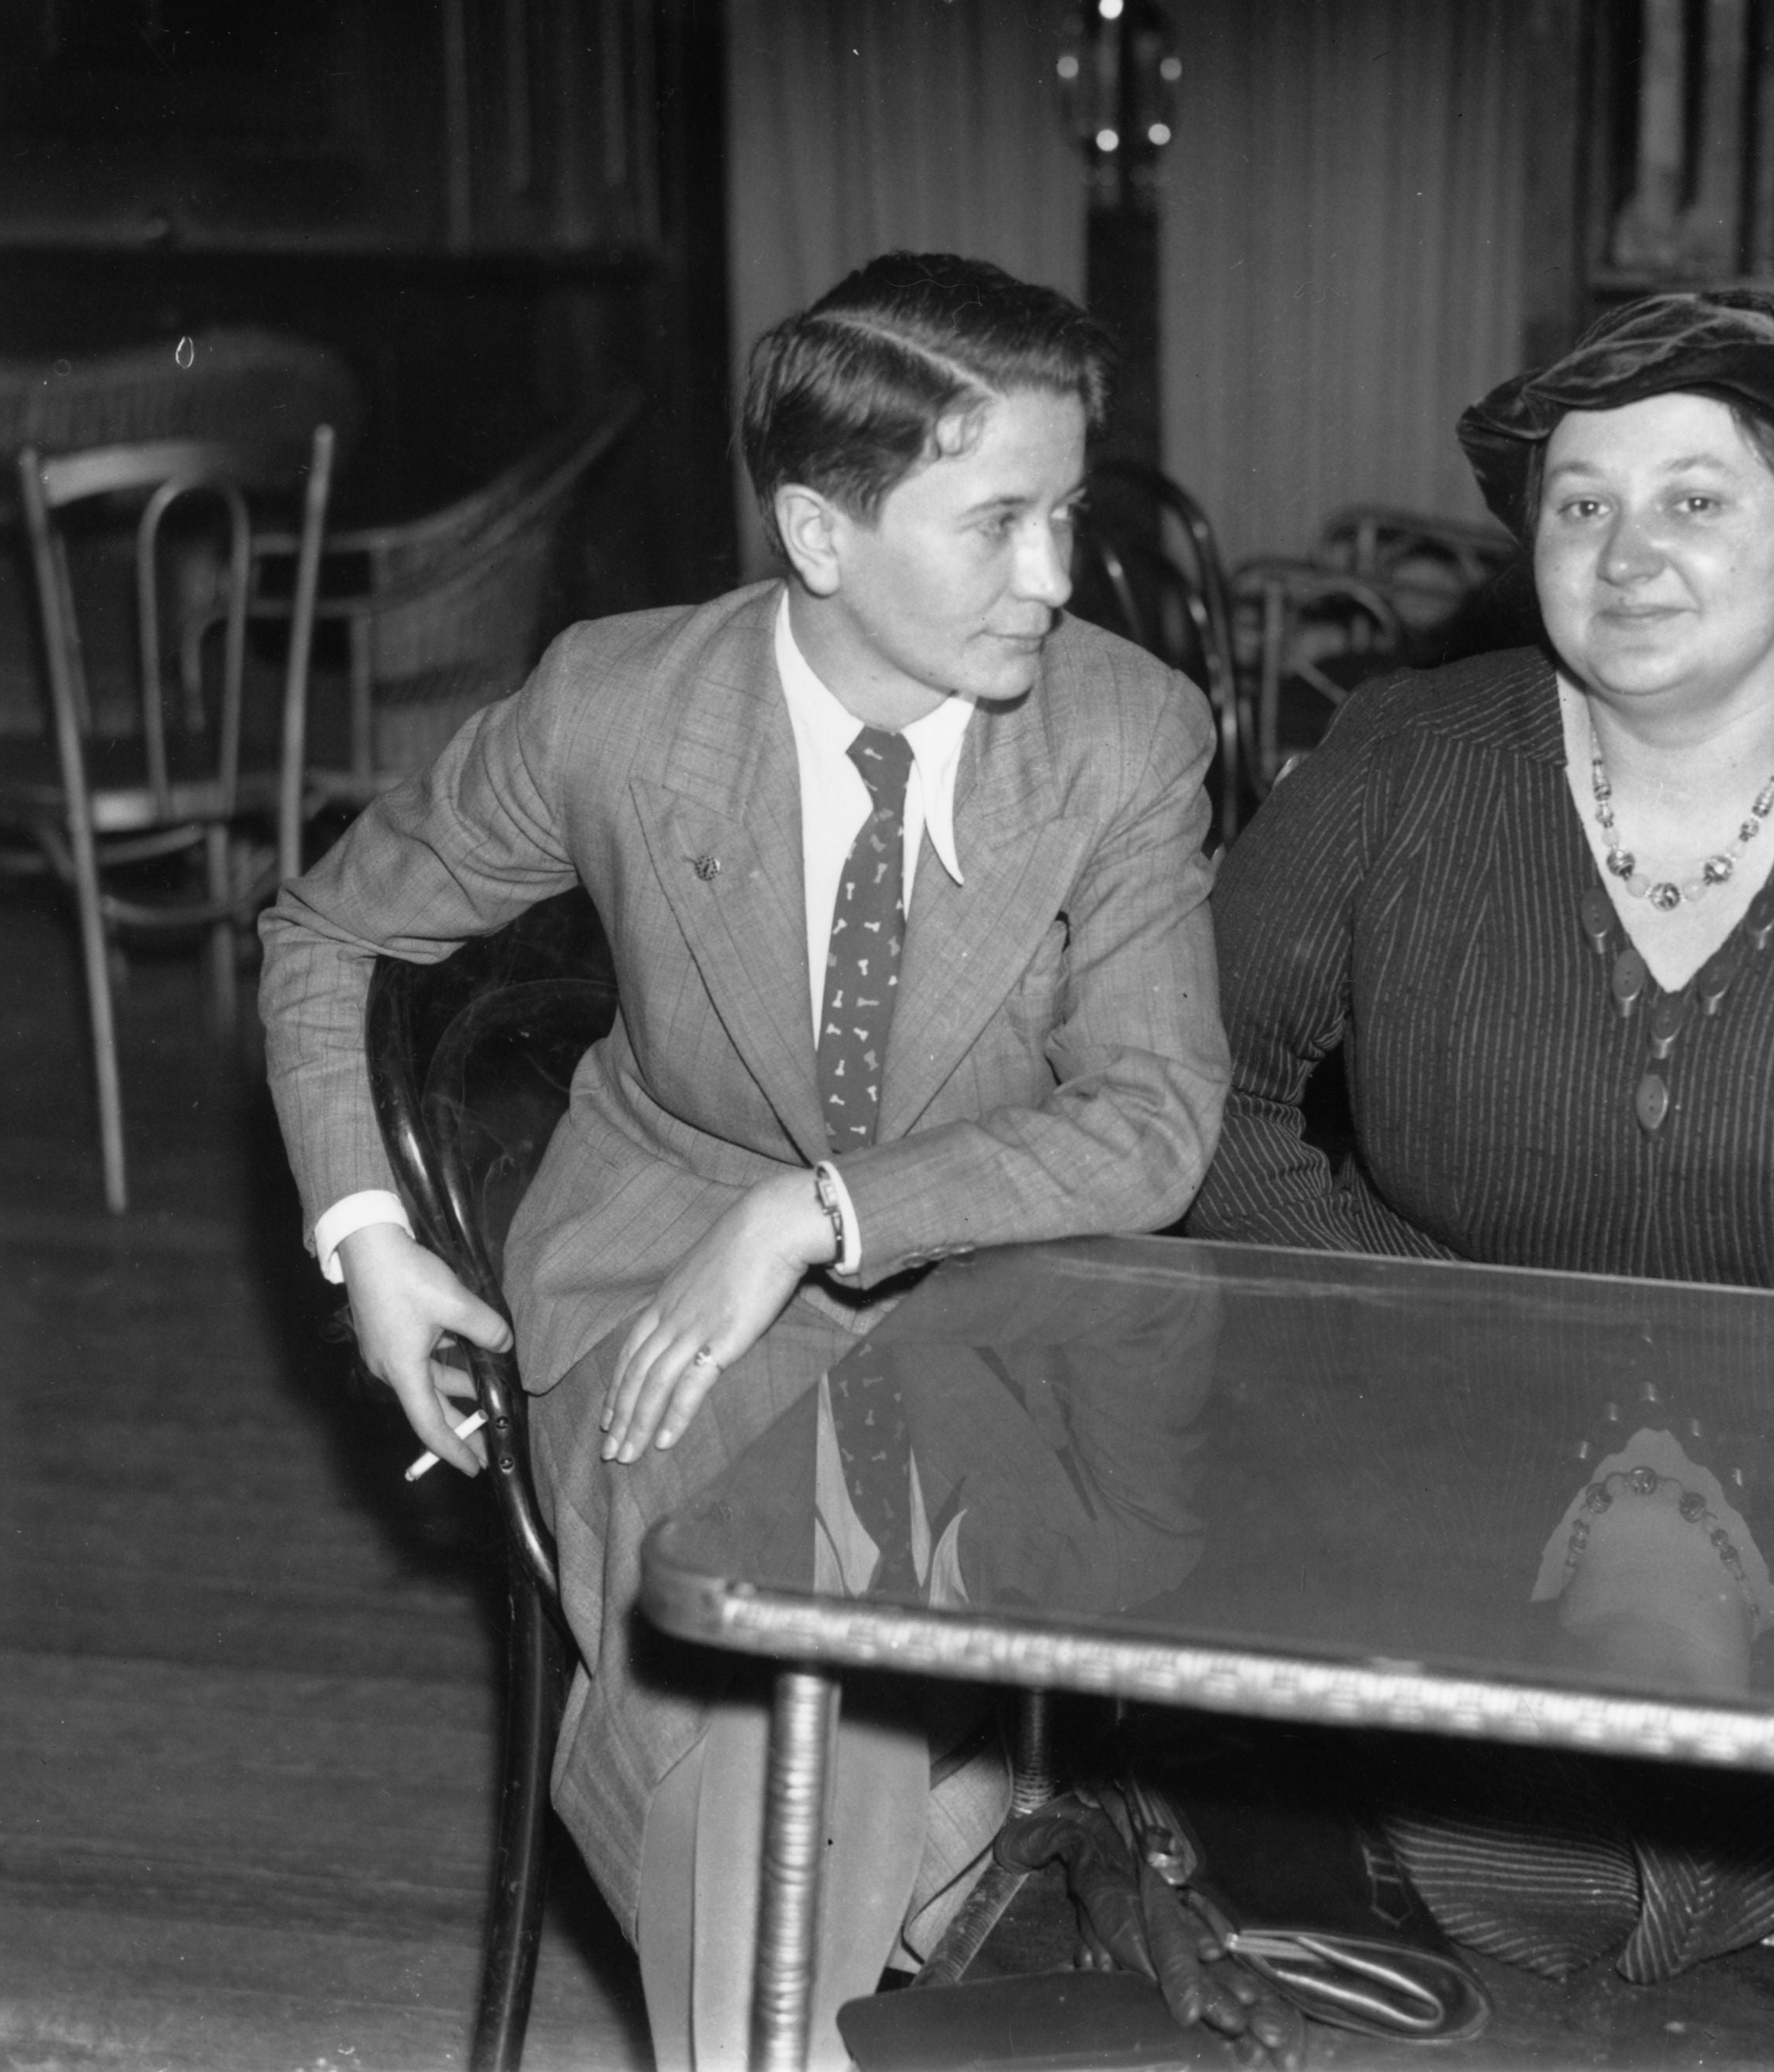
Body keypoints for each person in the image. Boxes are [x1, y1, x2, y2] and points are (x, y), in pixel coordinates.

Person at [258, 252, 1229, 2070]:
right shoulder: (618, 708)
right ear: (820, 529)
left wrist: (825, 1211)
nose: (1054, 577)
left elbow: (1156, 1120)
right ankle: (989, 1924)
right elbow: (329, 932)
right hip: (661, 1270)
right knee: (809, 1658)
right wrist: (370, 1237)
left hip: (1010, 1297)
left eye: (1070, 514)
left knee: (803, 1711)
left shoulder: (1121, 734)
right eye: (999, 520)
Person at [1189, 288, 1774, 2067]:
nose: (1629, 551)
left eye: (1697, 499)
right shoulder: (1402, 762)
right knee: (1372, 1958)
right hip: (1429, 1427)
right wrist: (1423, 1327)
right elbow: (1209, 1094)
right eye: (1581, 502)